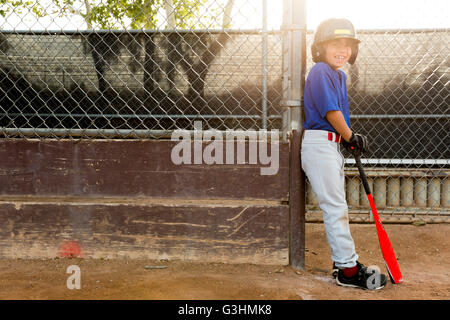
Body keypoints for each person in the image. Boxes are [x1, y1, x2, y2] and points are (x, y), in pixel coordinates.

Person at [301, 18, 387, 290]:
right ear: (320, 48)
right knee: (335, 208)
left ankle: (345, 262)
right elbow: (330, 112)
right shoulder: (320, 71)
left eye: (348, 45)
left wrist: (346, 138)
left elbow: (337, 117)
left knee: (338, 207)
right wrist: (350, 135)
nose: (343, 50)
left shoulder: (339, 75)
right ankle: (347, 270)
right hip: (318, 144)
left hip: (330, 145)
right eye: (335, 44)